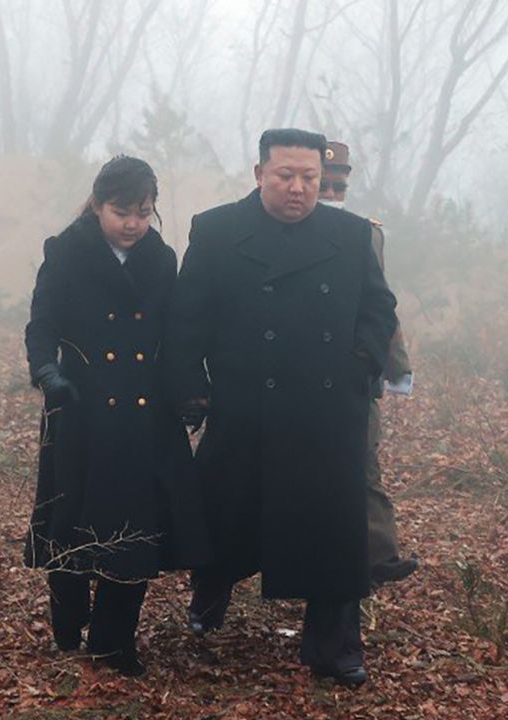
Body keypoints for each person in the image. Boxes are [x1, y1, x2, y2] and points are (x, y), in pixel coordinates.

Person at [167, 129, 399, 686]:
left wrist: (359, 364)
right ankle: (211, 588)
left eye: (310, 178)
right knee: (226, 514)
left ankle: (334, 645)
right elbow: (188, 317)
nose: (298, 189)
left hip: (326, 413)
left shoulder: (350, 234)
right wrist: (187, 386)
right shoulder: (217, 229)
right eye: (285, 176)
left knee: (334, 531)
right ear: (259, 173)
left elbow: (378, 306)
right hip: (245, 405)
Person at [23, 156, 209, 677]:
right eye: (121, 211)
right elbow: (41, 324)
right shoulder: (65, 252)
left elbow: (173, 336)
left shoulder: (161, 258)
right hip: (81, 411)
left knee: (135, 530)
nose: (132, 224)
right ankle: (68, 616)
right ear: (98, 204)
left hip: (144, 417)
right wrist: (48, 374)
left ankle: (113, 641)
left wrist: (190, 393)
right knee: (72, 521)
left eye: (143, 212)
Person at [320, 140, 419, 585]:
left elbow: (381, 302)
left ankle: (379, 555)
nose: (331, 193)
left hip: (354, 370)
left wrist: (395, 364)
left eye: (338, 185)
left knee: (364, 464)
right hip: (294, 370)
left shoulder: (366, 233)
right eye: (324, 184)